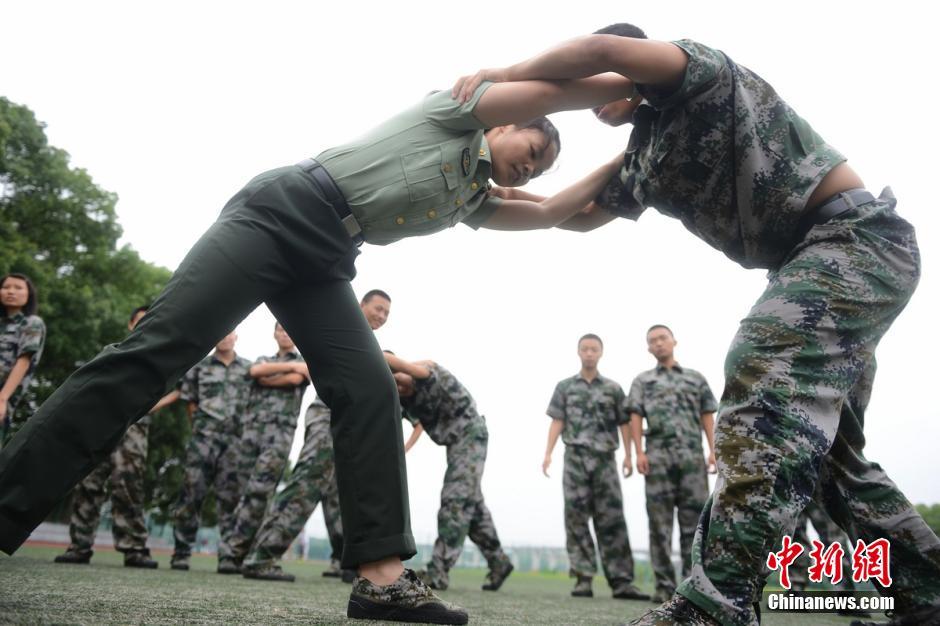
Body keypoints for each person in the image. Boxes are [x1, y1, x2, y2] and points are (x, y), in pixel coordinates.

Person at [0, 73, 634, 624]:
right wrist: (641, 86)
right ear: (505, 125)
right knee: (153, 355)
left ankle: (382, 579)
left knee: (367, 389)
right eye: (532, 150)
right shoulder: (455, 112)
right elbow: (562, 86)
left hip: (327, 258)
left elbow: (559, 213)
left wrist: (632, 154)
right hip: (280, 214)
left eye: (542, 166)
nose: (533, 168)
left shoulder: (474, 200)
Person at [454, 24, 940, 626]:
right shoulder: (641, 156)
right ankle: (925, 594)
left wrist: (503, 76)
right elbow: (573, 218)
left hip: (855, 238)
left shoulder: (695, 75)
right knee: (825, 458)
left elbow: (604, 50)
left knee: (760, 368)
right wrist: (472, 196)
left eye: (589, 84)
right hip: (810, 266)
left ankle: (719, 604)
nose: (583, 95)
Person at [242, 289, 391, 584]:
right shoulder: (345, 328)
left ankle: (348, 562)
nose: (381, 316)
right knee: (309, 479)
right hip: (328, 413)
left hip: (350, 419)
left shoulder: (366, 340)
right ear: (361, 305)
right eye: (378, 308)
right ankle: (261, 556)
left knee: (338, 492)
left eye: (387, 313)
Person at [386, 352, 514, 593]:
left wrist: (378, 361)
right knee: (472, 507)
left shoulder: (426, 376)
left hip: (471, 435)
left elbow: (406, 363)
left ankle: (438, 571)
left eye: (399, 379)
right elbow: (412, 421)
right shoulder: (403, 397)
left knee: (455, 500)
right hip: (457, 444)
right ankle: (499, 562)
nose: (400, 386)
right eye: (393, 383)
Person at [544, 333, 648, 601]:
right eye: (585, 349)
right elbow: (557, 421)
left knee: (612, 519)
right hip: (575, 458)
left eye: (594, 349)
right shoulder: (565, 387)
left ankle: (621, 581)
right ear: (578, 352)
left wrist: (628, 454)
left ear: (600, 353)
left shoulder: (613, 388)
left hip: (604, 459)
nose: (589, 353)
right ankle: (583, 578)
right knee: (576, 519)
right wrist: (548, 453)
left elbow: (623, 422)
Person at [54, 306, 160, 569]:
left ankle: (134, 549)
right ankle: (79, 546)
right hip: (100, 423)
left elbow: (176, 390)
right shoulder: (114, 350)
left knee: (128, 484)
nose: (144, 324)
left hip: (134, 426)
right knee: (88, 482)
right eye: (139, 320)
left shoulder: (160, 357)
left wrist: (145, 405)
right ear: (130, 324)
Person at [626, 324, 717, 604]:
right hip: (658, 458)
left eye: (662, 338)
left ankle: (693, 584)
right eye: (652, 341)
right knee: (660, 524)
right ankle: (664, 585)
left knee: (694, 523)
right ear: (648, 348)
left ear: (674, 341)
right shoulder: (643, 381)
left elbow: (707, 415)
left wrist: (713, 451)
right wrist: (639, 452)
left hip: (691, 458)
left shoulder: (695, 379)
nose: (658, 344)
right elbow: (635, 415)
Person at [219, 323, 309, 573]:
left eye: (289, 330)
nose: (285, 333)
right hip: (251, 431)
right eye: (281, 329)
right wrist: (287, 369)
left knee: (260, 490)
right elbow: (256, 370)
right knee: (238, 489)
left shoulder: (305, 360)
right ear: (274, 333)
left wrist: (273, 375)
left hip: (279, 434)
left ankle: (237, 552)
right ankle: (230, 552)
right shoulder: (263, 359)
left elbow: (295, 378)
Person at [169, 331, 253, 572]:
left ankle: (228, 556)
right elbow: (190, 402)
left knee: (231, 500)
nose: (225, 337)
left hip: (235, 443)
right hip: (203, 440)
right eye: (221, 333)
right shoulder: (200, 368)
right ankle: (181, 553)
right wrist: (200, 430)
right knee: (191, 495)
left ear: (237, 336)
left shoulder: (248, 369)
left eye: (230, 333)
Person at [0, 273, 45, 447]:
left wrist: (3, 398)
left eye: (18, 288)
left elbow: (24, 361)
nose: (11, 291)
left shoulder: (31, 323)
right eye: (6, 287)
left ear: (28, 295)